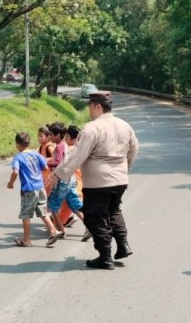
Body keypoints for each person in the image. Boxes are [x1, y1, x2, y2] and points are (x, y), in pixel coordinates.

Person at [47, 91, 139, 270]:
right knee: (113, 211)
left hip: (98, 182)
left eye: (90, 106)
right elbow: (134, 149)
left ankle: (105, 257)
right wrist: (124, 168)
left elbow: (76, 154)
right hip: (120, 179)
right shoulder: (124, 125)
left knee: (95, 217)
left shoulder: (92, 128)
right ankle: (123, 245)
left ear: (97, 106)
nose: (89, 109)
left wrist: (58, 173)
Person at [8, 132, 62, 247]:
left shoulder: (18, 157)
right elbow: (45, 167)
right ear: (28, 143)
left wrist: (10, 183)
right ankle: (54, 231)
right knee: (42, 211)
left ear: (17, 144)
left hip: (28, 189)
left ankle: (27, 240)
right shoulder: (36, 154)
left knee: (25, 215)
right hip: (40, 187)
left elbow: (15, 171)